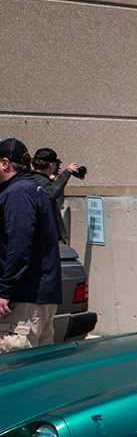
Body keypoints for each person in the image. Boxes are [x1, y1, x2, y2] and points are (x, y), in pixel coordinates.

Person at [0, 138, 63, 351]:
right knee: (37, 372)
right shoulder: (32, 188)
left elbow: (19, 245)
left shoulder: (18, 192)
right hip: (37, 295)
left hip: (23, 301)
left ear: (5, 163)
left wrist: (5, 291)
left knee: (15, 373)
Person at [30, 146, 84, 245]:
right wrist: (67, 172)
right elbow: (51, 193)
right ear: (50, 165)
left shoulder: (33, 178)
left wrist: (53, 178)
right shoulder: (38, 179)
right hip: (45, 237)